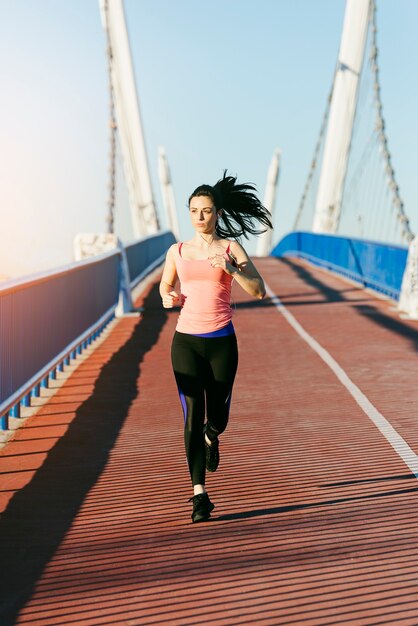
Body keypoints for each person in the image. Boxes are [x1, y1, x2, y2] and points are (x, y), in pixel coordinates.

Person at [160, 171, 272, 523]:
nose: (200, 217)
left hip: (221, 342)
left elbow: (259, 290)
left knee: (218, 416)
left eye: (206, 211)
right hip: (186, 342)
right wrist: (170, 296)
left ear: (217, 214)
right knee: (192, 414)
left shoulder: (230, 248)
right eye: (194, 210)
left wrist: (230, 269)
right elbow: (165, 289)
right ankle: (199, 494)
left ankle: (213, 435)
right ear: (188, 213)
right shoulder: (177, 251)